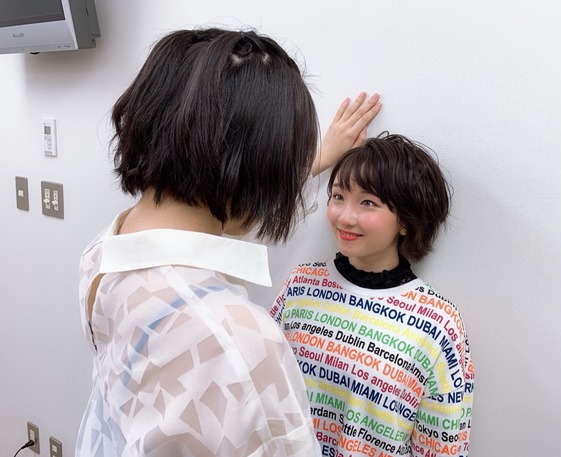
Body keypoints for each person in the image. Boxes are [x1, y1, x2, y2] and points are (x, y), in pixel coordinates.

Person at [76, 28, 381, 457]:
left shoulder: (107, 249)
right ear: (254, 167)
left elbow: (215, 222)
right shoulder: (238, 341)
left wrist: (314, 162)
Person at [270, 133, 474, 457]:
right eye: (338, 196)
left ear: (406, 220)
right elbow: (261, 391)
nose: (345, 217)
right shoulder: (300, 286)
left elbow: (442, 446)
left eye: (368, 202)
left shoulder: (437, 322)